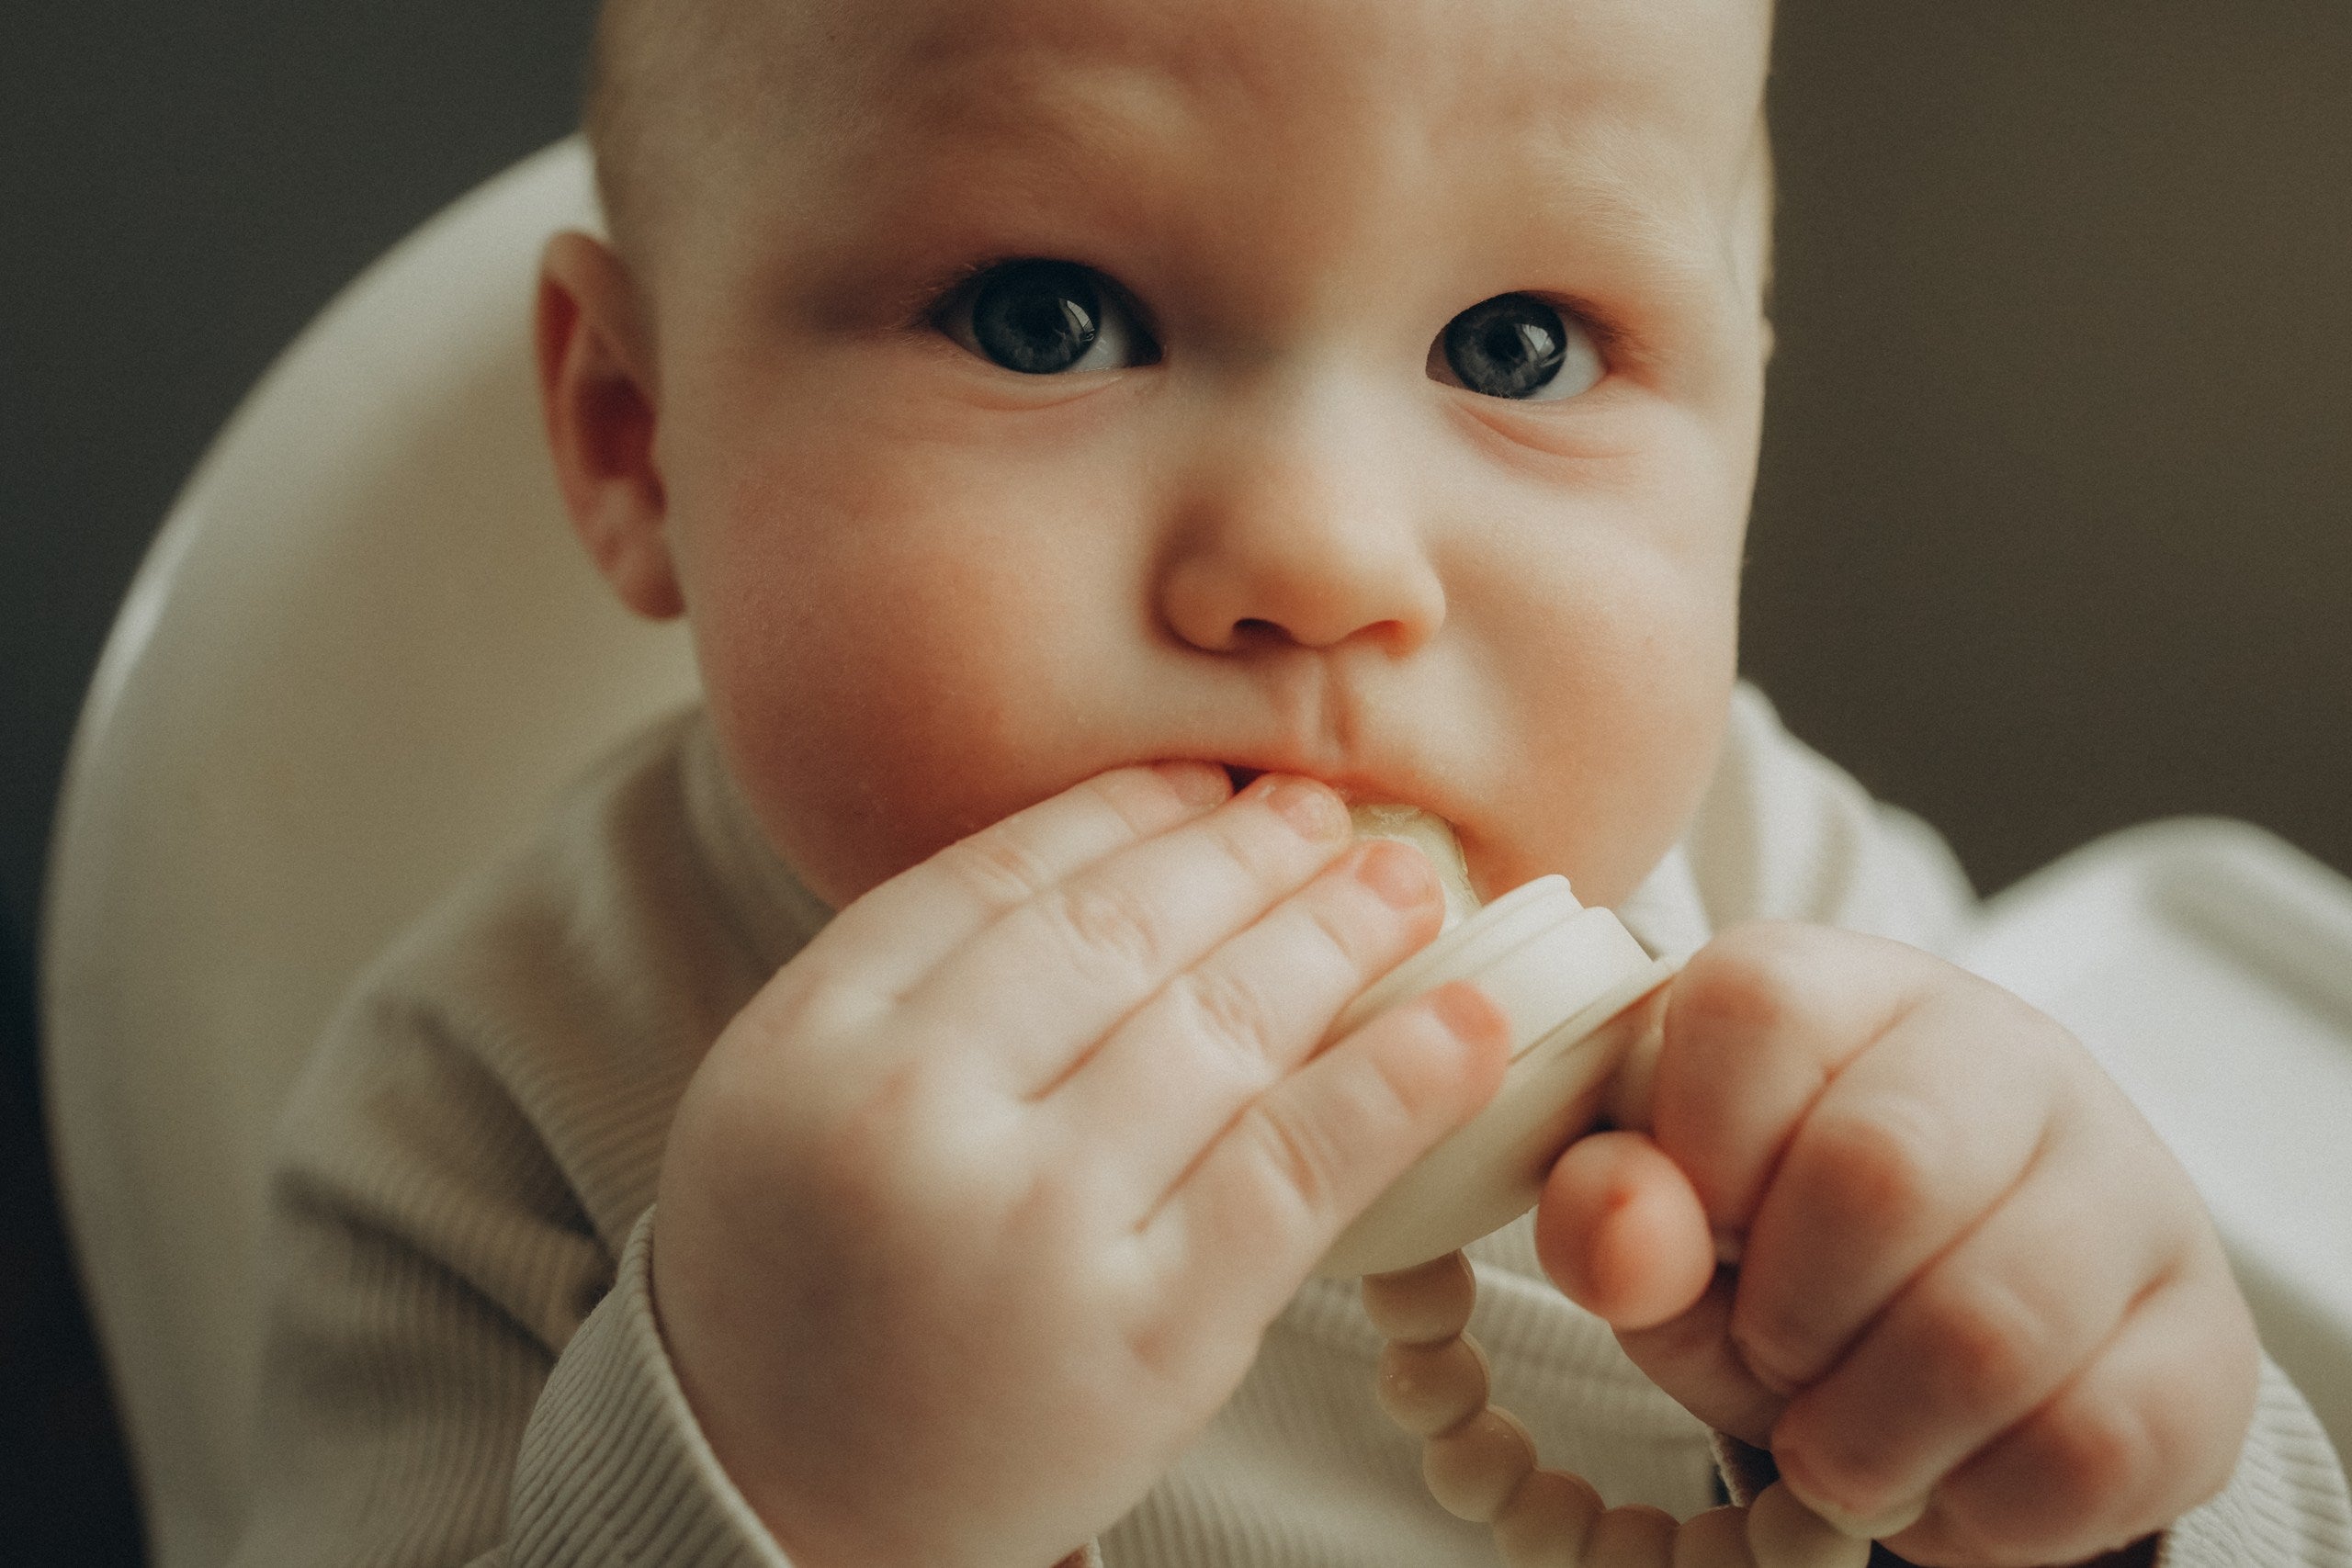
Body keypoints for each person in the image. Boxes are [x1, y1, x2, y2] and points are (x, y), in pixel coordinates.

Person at [228, 0, 2352, 1563]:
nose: (1323, 555)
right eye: (1047, 317)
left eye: (1515, 345)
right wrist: (780, 1489)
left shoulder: (1772, 876)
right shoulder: (490, 1107)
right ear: (634, 437)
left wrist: (2095, 1466)